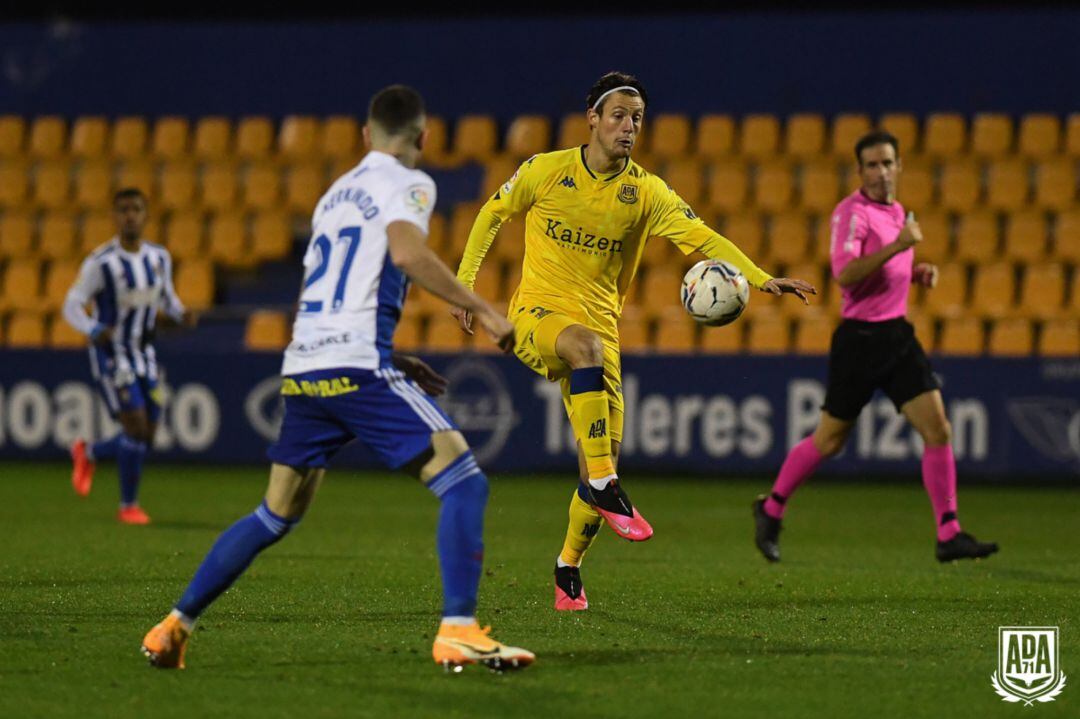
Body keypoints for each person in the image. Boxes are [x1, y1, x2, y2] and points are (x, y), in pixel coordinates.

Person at [140, 85, 533, 672]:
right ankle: (458, 629)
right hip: (355, 364)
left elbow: (328, 294)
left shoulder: (333, 196)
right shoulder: (409, 182)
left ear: (364, 135)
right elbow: (405, 254)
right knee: (465, 481)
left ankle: (173, 626)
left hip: (306, 364)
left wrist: (391, 356)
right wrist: (483, 308)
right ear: (424, 138)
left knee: (274, 514)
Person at [453, 71, 815, 611]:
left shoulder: (645, 192)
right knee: (586, 364)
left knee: (597, 455)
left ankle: (567, 566)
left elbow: (704, 238)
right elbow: (492, 213)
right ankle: (606, 483)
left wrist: (761, 277)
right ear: (593, 118)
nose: (628, 126)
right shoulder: (547, 170)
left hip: (602, 332)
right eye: (618, 115)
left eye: (637, 119)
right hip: (537, 316)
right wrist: (465, 285)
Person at [752, 130, 999, 564]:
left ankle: (949, 532)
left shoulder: (898, 211)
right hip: (860, 342)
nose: (881, 172)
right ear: (860, 171)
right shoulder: (852, 214)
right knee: (829, 441)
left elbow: (884, 273)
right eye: (872, 165)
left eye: (888, 163)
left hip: (897, 336)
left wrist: (914, 271)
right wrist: (899, 246)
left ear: (900, 166)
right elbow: (845, 275)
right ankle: (771, 508)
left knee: (938, 429)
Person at [64, 188, 196, 524]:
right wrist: (94, 329)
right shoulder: (101, 262)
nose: (130, 215)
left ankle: (88, 451)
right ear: (115, 216)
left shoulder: (158, 258)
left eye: (136, 209)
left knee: (149, 434)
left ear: (146, 214)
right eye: (123, 209)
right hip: (113, 355)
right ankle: (128, 506)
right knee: (135, 427)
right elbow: (71, 304)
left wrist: (182, 314)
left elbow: (167, 299)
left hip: (144, 354)